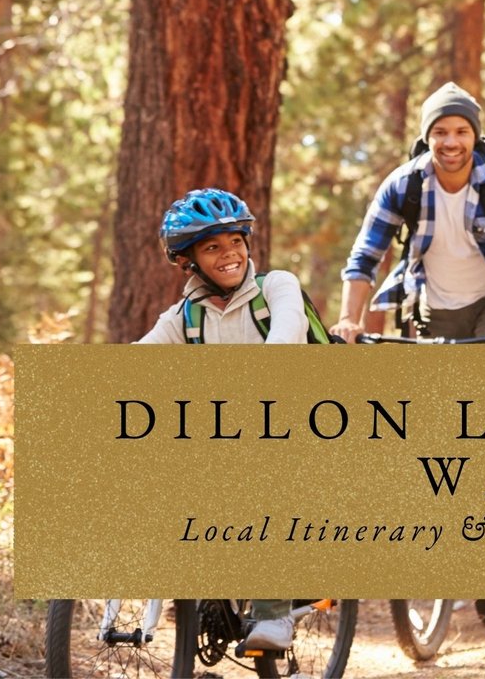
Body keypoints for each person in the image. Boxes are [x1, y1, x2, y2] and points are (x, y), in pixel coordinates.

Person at [137, 187, 301, 651]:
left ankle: (273, 613)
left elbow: (287, 336)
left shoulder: (276, 287)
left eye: (235, 241)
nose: (229, 254)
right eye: (212, 247)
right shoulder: (184, 317)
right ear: (188, 260)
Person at [330, 82, 485, 343]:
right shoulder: (403, 185)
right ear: (427, 137)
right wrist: (349, 320)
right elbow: (365, 255)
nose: (451, 142)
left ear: (474, 135)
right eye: (440, 132)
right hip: (435, 309)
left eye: (461, 131)